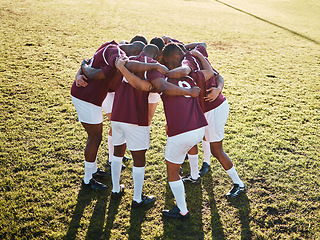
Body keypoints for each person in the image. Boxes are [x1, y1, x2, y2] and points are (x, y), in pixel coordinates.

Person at [110, 44, 201, 209]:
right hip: (135, 117)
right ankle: (137, 199)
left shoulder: (126, 60)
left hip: (116, 114)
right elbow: (148, 86)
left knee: (117, 153)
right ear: (158, 55)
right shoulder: (151, 65)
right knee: (139, 159)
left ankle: (116, 190)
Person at [71, 40, 168, 191]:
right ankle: (87, 179)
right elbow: (93, 68)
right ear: (135, 52)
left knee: (98, 136)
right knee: (95, 137)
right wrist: (155, 65)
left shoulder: (110, 46)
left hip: (91, 96)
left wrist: (81, 69)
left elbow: (89, 62)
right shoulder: (118, 55)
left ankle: (93, 170)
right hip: (86, 97)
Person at [164, 41, 245, 198]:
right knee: (193, 140)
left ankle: (239, 183)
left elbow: (215, 75)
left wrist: (218, 90)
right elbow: (212, 68)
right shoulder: (194, 55)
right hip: (202, 109)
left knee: (216, 149)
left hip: (213, 108)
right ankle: (194, 176)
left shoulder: (189, 61)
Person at [160, 43, 213, 219]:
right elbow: (210, 73)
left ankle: (182, 210)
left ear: (167, 59)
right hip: (199, 128)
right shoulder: (191, 77)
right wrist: (199, 55)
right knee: (189, 146)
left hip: (182, 131)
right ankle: (194, 174)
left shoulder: (163, 78)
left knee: (172, 171)